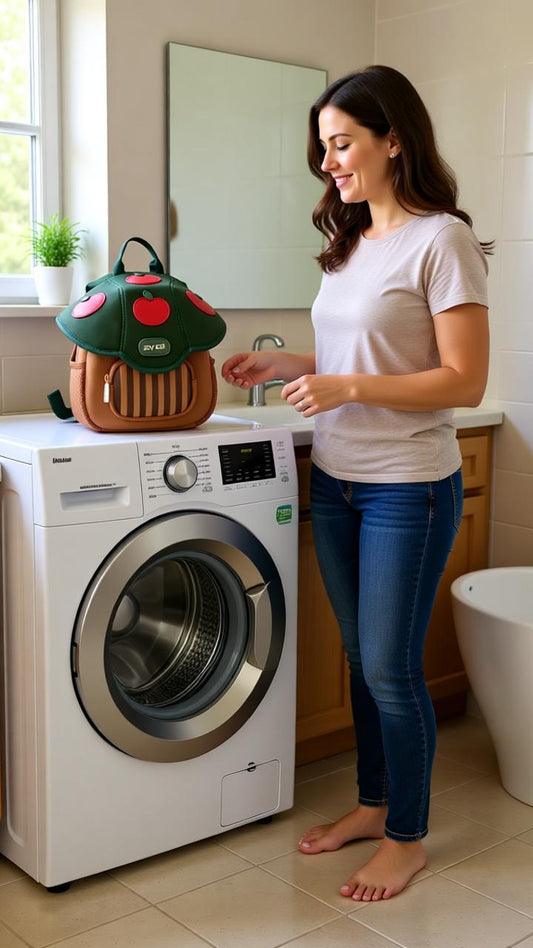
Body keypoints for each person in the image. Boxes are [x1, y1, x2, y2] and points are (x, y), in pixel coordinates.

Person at [222, 64, 490, 903]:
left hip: (405, 485)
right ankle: (375, 806)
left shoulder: (438, 238)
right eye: (324, 147)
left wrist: (344, 388)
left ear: (393, 139)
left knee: (389, 667)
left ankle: (406, 838)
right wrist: (292, 363)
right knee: (359, 658)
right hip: (337, 481)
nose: (329, 161)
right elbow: (360, 353)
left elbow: (462, 381)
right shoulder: (350, 242)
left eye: (341, 143)